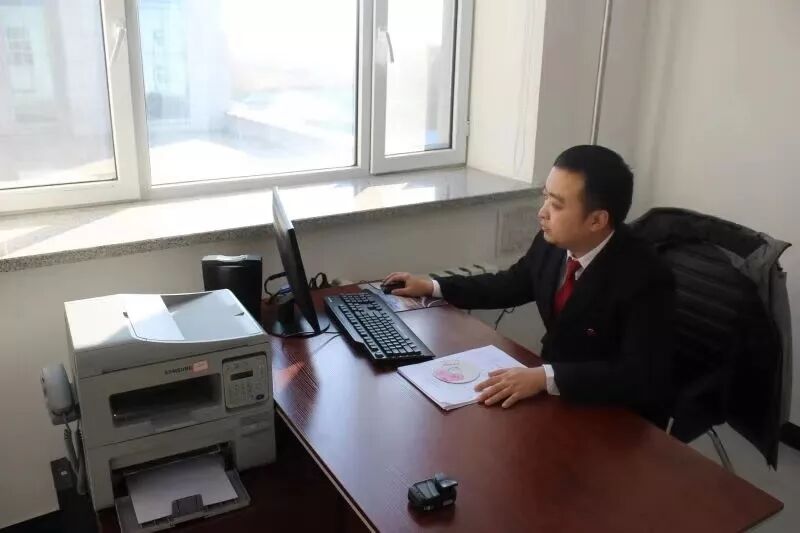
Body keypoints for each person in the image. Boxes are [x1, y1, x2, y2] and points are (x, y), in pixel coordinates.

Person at [384, 145, 675, 424]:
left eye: (556, 205)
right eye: (545, 197)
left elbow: (636, 374)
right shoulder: (554, 242)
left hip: (617, 416)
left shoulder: (647, 278)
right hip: (557, 395)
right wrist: (433, 286)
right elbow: (511, 284)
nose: (542, 212)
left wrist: (545, 377)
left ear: (597, 220)